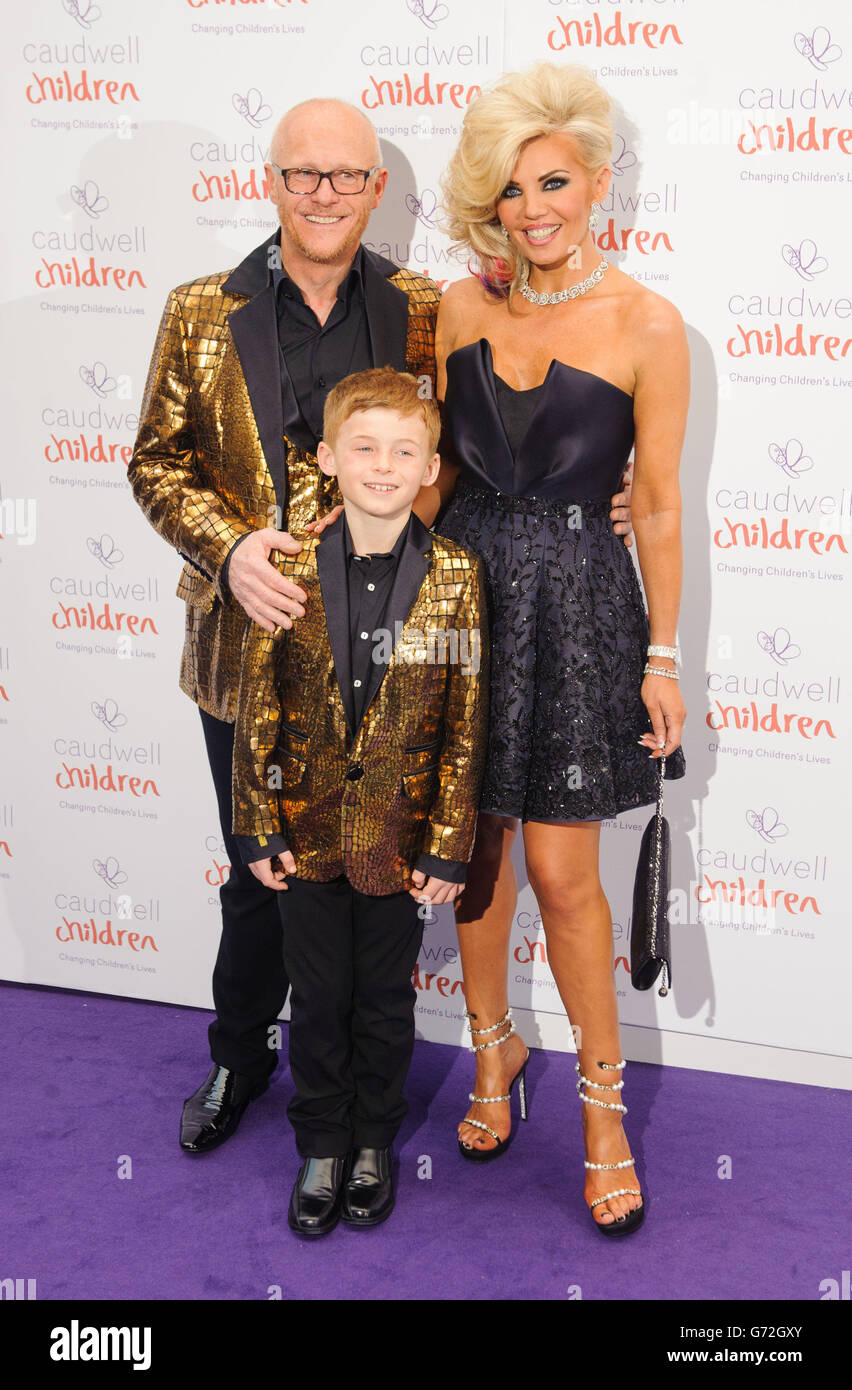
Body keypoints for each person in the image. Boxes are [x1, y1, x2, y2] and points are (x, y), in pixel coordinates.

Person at [127, 95, 633, 1158]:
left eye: (346, 177)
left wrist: (602, 485)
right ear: (270, 181)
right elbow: (154, 462)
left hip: (396, 655)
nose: (323, 195)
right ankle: (237, 1054)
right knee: (258, 874)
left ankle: (361, 1115)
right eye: (302, 174)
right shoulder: (196, 311)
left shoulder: (419, 306)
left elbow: (483, 437)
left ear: (374, 191)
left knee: (373, 894)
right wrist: (229, 549)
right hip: (248, 644)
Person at [428, 62, 688, 1235]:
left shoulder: (648, 322)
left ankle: (600, 1106)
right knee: (474, 854)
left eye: (553, 184)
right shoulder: (460, 306)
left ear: (596, 181)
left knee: (562, 875)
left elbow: (664, 502)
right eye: (510, 191)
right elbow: (430, 471)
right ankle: (493, 1052)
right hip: (466, 597)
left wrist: (665, 655)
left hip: (583, 609)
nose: (533, 209)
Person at [230, 367, 489, 1236]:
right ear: (331, 459)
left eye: (404, 450)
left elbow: (465, 723)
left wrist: (448, 845)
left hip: (399, 840)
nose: (384, 465)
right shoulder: (290, 564)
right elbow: (258, 705)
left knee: (384, 1000)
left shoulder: (457, 574)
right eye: (366, 447)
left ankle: (375, 1141)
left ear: (429, 467)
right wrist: (258, 822)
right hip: (304, 838)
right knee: (317, 995)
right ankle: (323, 1146)